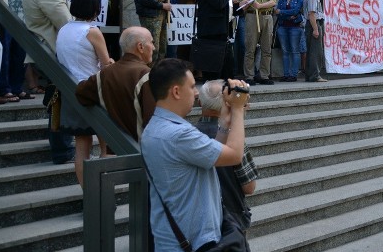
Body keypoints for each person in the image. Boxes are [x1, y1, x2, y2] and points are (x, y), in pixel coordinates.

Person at [141, 59, 250, 251]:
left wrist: (225, 123)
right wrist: (238, 109)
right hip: (190, 242)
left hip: (174, 239)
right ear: (176, 91)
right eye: (191, 87)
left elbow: (211, 156)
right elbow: (234, 155)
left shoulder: (156, 127)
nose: (196, 92)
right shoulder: (178, 135)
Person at [56, 0, 115, 187]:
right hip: (93, 90)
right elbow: (105, 65)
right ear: (96, 9)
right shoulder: (91, 31)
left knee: (82, 147)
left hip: (71, 91)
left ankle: (87, 192)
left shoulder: (63, 29)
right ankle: (104, 192)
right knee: (107, 144)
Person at [23, 0, 76, 164]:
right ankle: (62, 149)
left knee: (57, 100)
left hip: (44, 53)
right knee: (60, 102)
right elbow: (66, 24)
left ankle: (61, 148)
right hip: (51, 53)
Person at [195, 80, 258, 234]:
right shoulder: (234, 139)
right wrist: (237, 112)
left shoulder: (189, 134)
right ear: (226, 102)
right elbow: (249, 187)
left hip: (199, 217)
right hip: (231, 217)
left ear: (201, 101)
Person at [76, 26, 157, 142]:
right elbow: (153, 120)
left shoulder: (104, 74)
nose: (154, 47)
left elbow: (80, 93)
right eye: (152, 42)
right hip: (140, 151)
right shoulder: (147, 75)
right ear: (140, 47)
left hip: (115, 149)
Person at [195, 0, 234, 80]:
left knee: (226, 71)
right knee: (213, 73)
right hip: (211, 33)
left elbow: (224, 2)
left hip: (221, 32)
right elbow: (218, 2)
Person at [238, 0, 277, 85]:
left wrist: (260, 6)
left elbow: (273, 1)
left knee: (266, 48)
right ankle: (249, 75)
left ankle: (264, 75)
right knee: (250, 47)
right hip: (251, 16)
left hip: (266, 16)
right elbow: (241, 6)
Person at [275, 0, 304, 82]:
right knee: (285, 51)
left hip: (295, 27)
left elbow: (296, 11)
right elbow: (276, 12)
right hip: (282, 27)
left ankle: (294, 74)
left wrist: (282, 12)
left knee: (295, 51)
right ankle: (286, 74)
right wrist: (288, 14)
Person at [304, 0, 327, 82]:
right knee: (315, 51)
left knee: (312, 51)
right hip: (314, 24)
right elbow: (312, 14)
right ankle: (315, 75)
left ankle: (310, 75)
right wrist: (316, 29)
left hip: (313, 24)